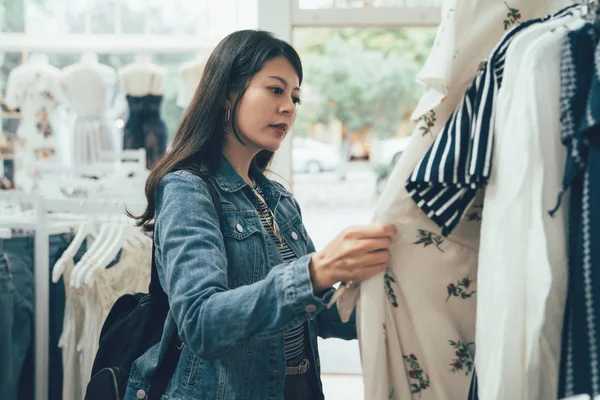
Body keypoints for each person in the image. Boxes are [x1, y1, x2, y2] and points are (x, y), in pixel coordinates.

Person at [125, 29, 396, 400]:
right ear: (226, 93)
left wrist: (395, 289)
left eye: (295, 97)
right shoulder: (188, 189)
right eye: (275, 89)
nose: (289, 107)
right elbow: (201, 323)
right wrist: (315, 271)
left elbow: (321, 315)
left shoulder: (279, 198)